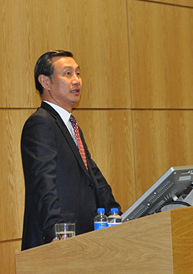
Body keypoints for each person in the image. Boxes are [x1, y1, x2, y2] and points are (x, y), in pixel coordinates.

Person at [21, 50, 119, 250]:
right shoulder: (40, 124)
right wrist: (55, 232)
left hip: (84, 237)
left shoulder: (69, 125)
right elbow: (43, 184)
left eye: (78, 73)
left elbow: (94, 180)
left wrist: (118, 215)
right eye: (67, 74)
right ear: (45, 82)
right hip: (60, 241)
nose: (76, 81)